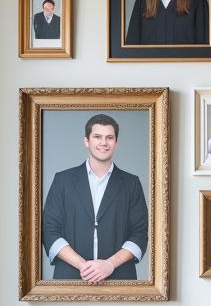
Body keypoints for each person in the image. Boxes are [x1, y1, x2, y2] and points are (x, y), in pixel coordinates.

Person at [42, 114, 148, 281]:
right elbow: (49, 231)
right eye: (97, 136)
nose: (103, 143)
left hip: (120, 280)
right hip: (70, 279)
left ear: (116, 143)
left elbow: (139, 234)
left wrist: (110, 264)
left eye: (109, 138)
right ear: (87, 141)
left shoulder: (131, 183)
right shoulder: (63, 180)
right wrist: (83, 266)